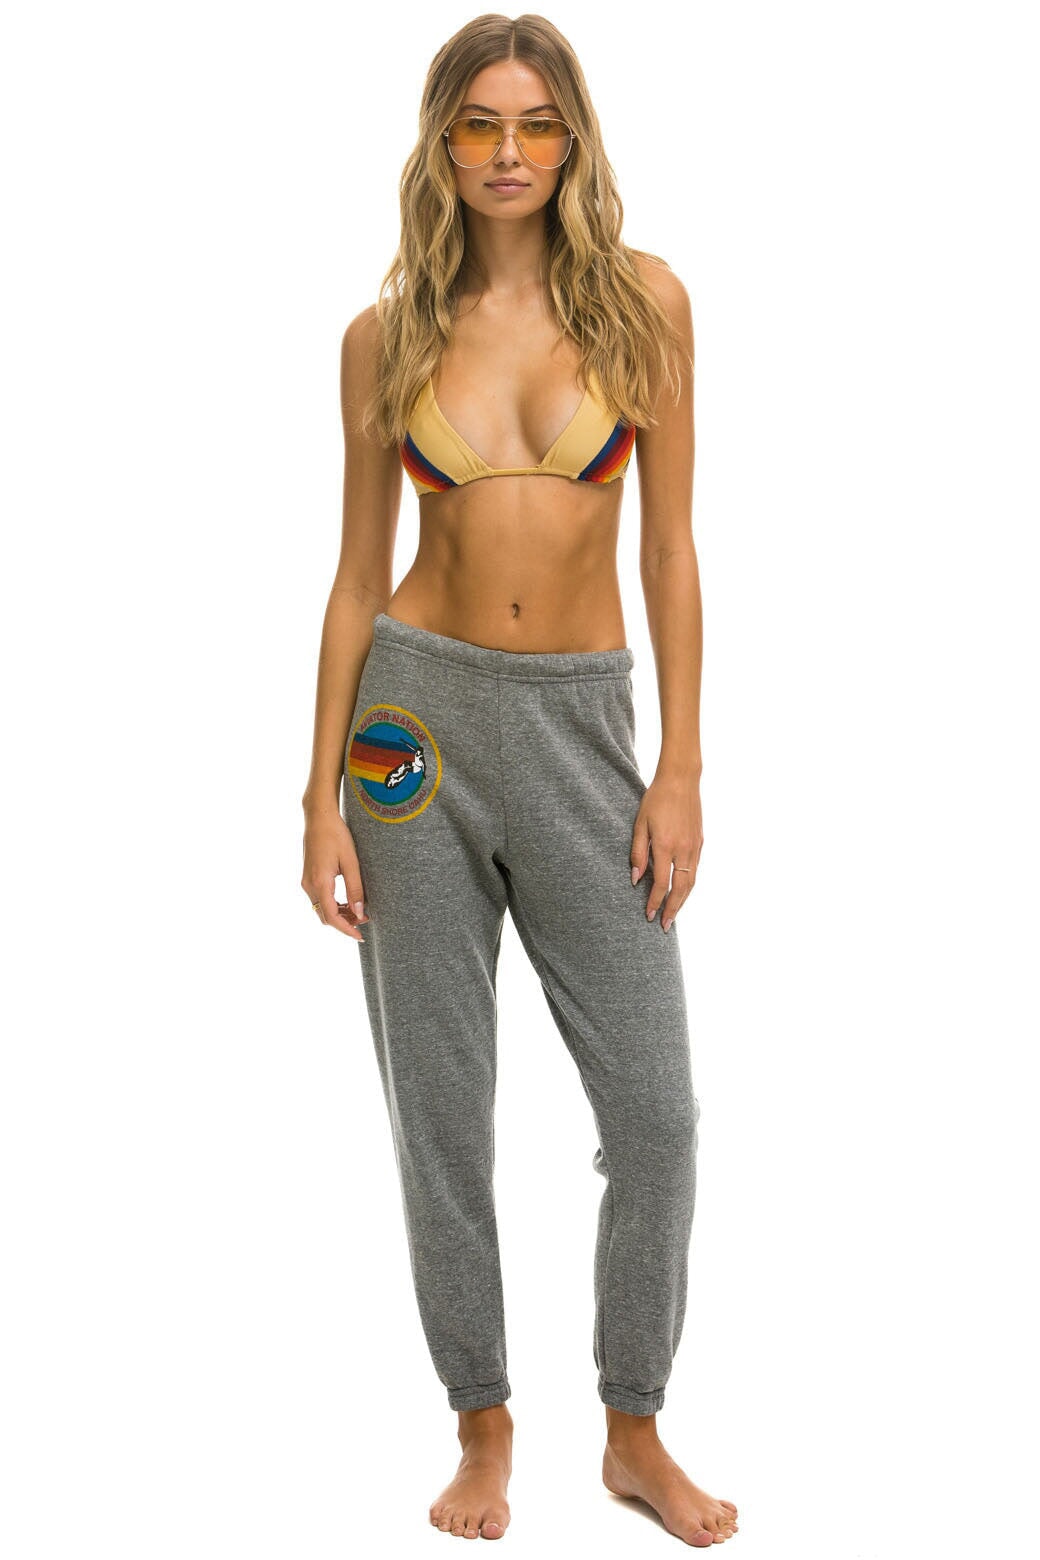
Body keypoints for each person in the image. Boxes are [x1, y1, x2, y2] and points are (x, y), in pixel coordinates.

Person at [300, 13, 737, 1548]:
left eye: (535, 124)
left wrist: (680, 764)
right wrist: (317, 795)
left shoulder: (645, 305)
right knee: (443, 1108)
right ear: (440, 143)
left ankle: (634, 1428)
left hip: (578, 726)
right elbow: (358, 578)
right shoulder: (386, 335)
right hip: (409, 734)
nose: (506, 153)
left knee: (657, 1115)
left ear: (572, 140)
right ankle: (482, 1426)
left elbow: (671, 551)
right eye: (477, 124)